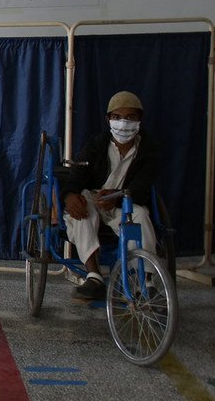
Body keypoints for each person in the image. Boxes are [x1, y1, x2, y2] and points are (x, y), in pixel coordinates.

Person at [59, 91, 160, 301]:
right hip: (96, 200)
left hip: (126, 202)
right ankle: (94, 276)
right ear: (108, 120)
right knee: (81, 208)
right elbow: (77, 174)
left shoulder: (149, 151)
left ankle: (147, 282)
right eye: (117, 117)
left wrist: (117, 198)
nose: (123, 123)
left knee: (141, 216)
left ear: (139, 120)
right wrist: (69, 195)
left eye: (130, 117)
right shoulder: (97, 144)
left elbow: (142, 186)